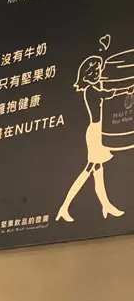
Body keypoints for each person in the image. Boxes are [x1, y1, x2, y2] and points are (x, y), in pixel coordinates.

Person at [58, 54, 124, 223]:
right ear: (86, 75)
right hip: (95, 133)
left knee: (97, 171)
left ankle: (105, 205)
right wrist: (125, 89)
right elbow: (106, 94)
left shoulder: (94, 87)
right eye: (94, 71)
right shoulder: (91, 90)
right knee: (89, 169)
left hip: (99, 130)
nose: (98, 74)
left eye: (99, 70)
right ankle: (64, 207)